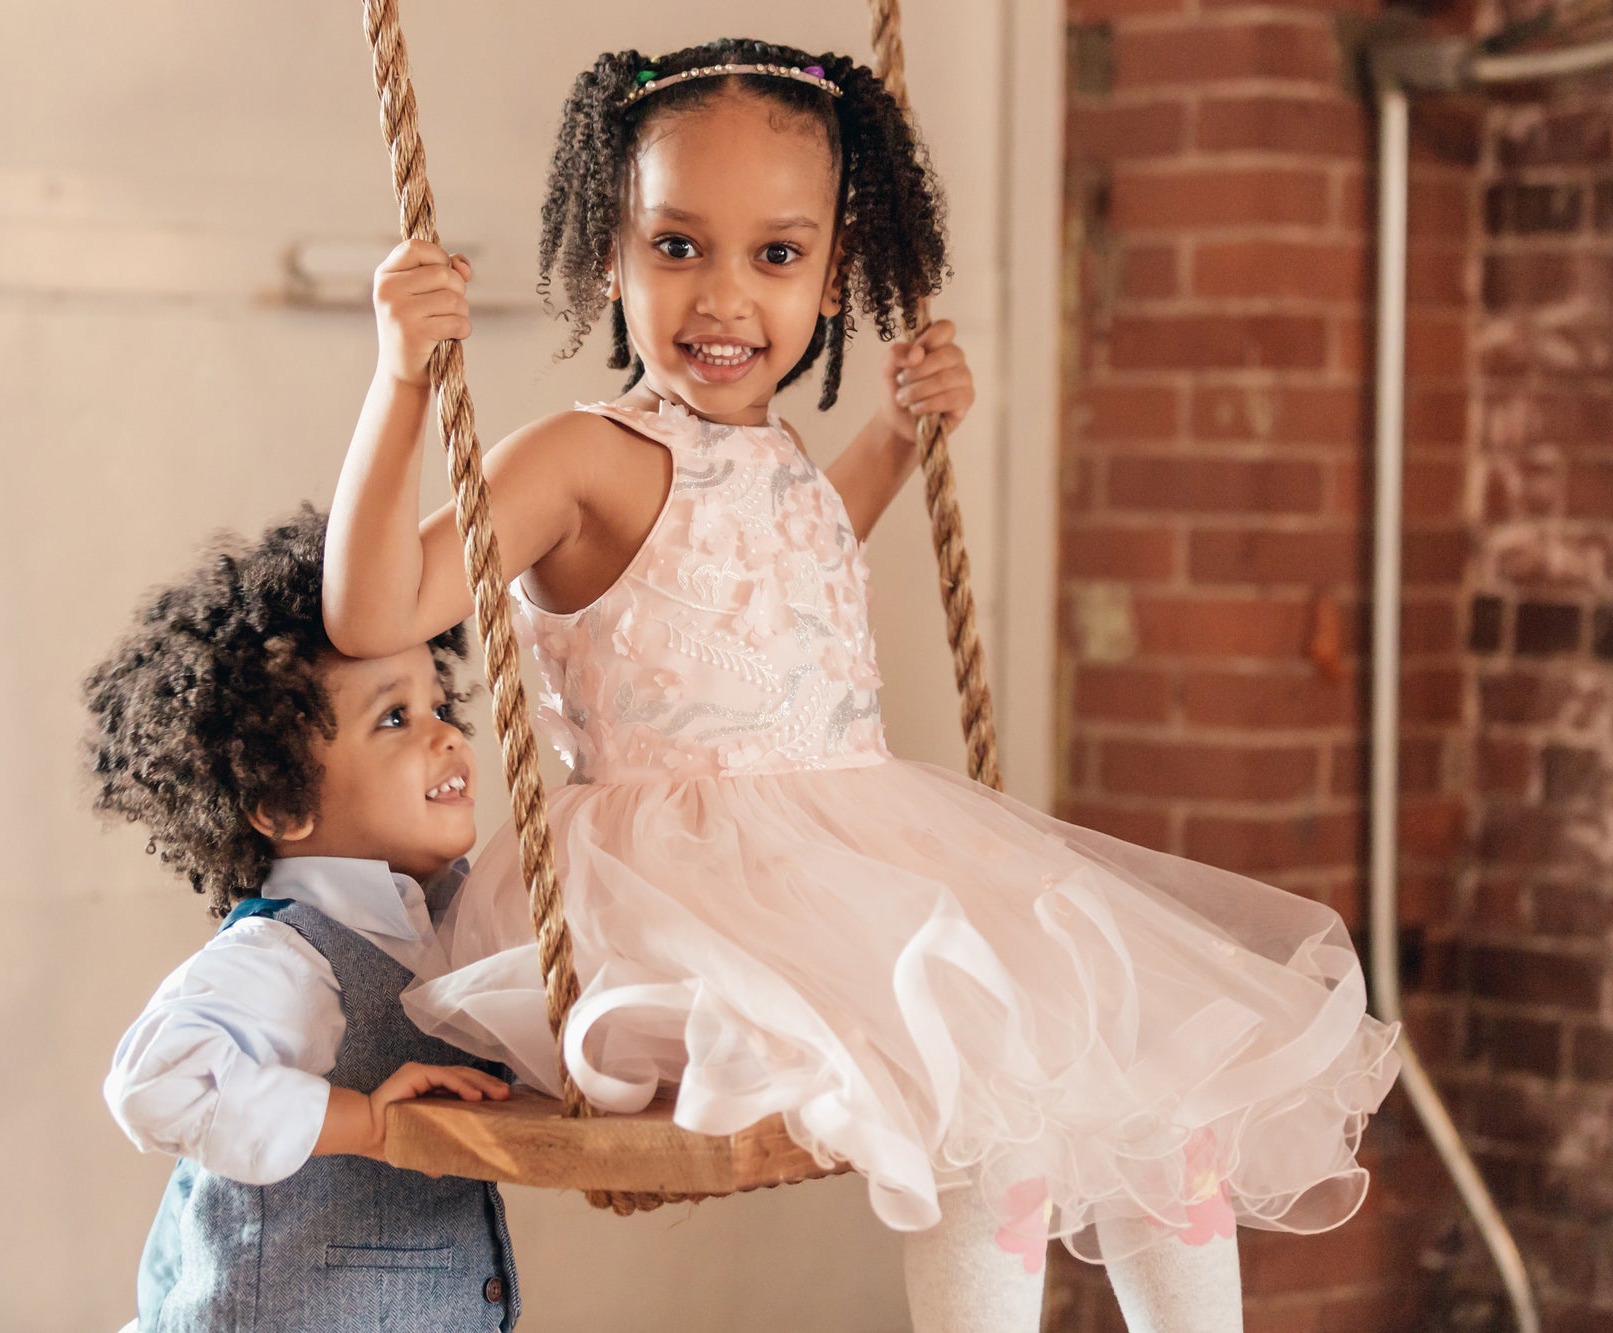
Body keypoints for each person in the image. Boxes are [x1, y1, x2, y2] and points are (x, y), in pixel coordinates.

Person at [325, 37, 1401, 1333]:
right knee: (977, 1069)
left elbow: (781, 568)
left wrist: (893, 437)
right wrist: (399, 383)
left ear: (835, 278)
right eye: (677, 247)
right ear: (610, 254)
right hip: (674, 894)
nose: (724, 297)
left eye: (775, 256)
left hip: (846, 851)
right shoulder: (581, 457)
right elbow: (375, 609)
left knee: (1127, 1064)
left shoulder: (778, 454)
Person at [87, 508, 518, 1332]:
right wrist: (363, 1123)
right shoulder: (287, 956)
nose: (447, 738)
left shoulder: (453, 922)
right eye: (395, 717)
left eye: (441, 706)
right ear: (282, 801)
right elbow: (155, 1081)